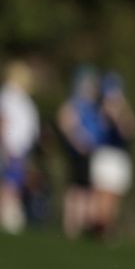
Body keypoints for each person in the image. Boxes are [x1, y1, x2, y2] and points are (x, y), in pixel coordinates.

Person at [87, 71, 135, 238]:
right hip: (104, 154)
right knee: (100, 194)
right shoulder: (99, 108)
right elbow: (98, 130)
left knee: (113, 197)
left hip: (118, 156)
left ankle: (107, 229)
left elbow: (129, 131)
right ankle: (96, 229)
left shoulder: (123, 110)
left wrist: (122, 110)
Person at [0, 60, 39, 234]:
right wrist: (4, 146)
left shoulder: (19, 96)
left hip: (20, 148)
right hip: (11, 147)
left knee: (14, 183)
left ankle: (7, 218)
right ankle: (0, 217)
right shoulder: (7, 95)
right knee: (8, 183)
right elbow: (2, 122)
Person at [55, 66, 102, 239]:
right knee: (76, 189)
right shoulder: (76, 102)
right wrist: (77, 141)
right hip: (79, 152)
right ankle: (71, 228)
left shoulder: (90, 105)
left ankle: (80, 228)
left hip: (89, 152)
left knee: (85, 190)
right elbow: (64, 120)